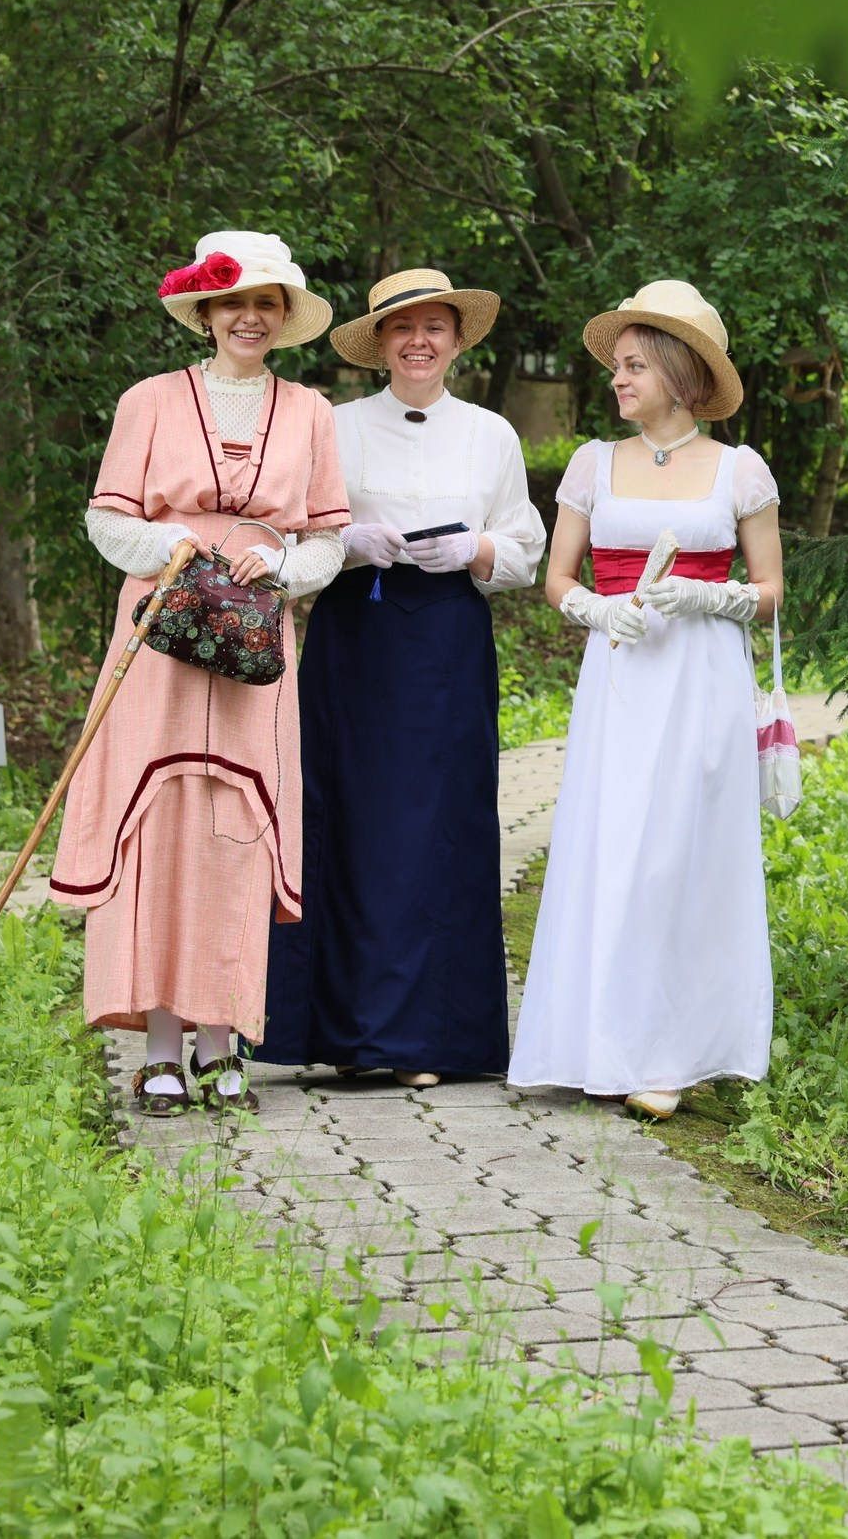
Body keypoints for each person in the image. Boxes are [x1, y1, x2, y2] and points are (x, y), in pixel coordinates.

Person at [51, 229, 351, 1115]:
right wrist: (170, 544)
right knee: (160, 813)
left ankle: (224, 1041)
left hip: (256, 638)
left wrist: (284, 565)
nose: (249, 317)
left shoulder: (311, 414)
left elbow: (329, 537)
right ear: (207, 312)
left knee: (236, 820)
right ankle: (156, 1047)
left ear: (283, 316)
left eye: (267, 303)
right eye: (235, 302)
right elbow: (107, 519)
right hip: (162, 620)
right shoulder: (147, 401)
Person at [259, 270, 544, 1086]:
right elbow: (291, 530)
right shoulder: (334, 426)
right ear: (379, 343)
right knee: (350, 819)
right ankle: (351, 1035)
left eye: (435, 328)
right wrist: (348, 544)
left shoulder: (491, 434)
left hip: (449, 642)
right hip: (357, 638)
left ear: (458, 339)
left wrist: (476, 551)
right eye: (402, 328)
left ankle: (432, 1042)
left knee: (442, 827)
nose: (419, 341)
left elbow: (522, 542)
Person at [507, 281, 783, 1119]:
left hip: (703, 679)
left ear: (677, 369)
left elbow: (771, 590)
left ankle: (668, 1053)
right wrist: (596, 608)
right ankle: (590, 1040)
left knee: (681, 853)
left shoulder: (741, 470)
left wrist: (714, 598)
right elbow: (556, 578)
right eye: (618, 366)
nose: (617, 380)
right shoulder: (595, 463)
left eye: (633, 365)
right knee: (610, 843)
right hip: (620, 674)